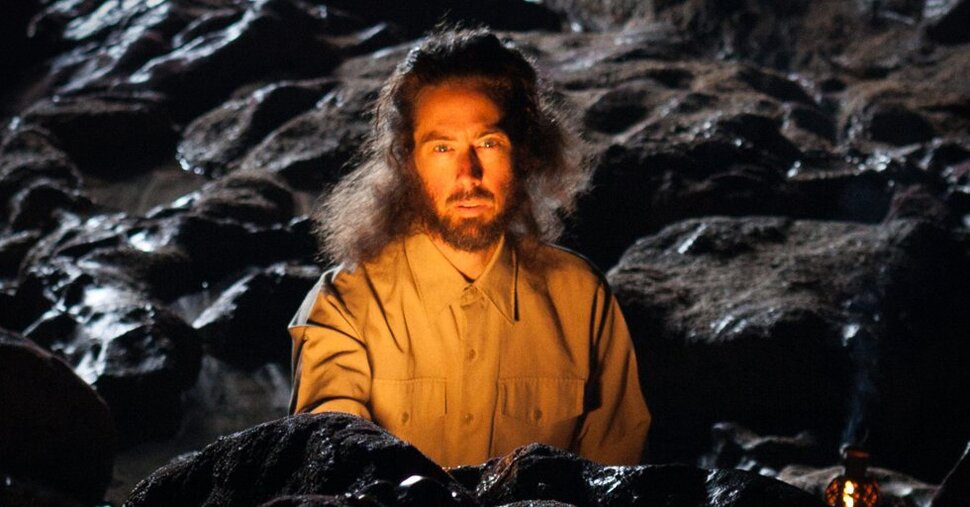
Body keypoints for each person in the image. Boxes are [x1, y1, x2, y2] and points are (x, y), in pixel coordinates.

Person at [288, 27, 650, 467]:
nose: (468, 173)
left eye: (488, 143)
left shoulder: (581, 297)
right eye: (443, 148)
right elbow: (334, 472)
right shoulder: (345, 306)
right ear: (407, 161)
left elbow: (615, 474)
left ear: (524, 153)